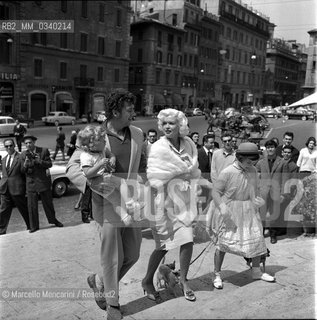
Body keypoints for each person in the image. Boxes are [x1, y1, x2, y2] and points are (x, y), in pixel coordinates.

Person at [66, 89, 145, 320]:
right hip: (105, 203)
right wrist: (93, 184)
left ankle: (99, 281)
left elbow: (142, 165)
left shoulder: (138, 134)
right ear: (115, 111)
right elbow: (73, 167)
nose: (134, 113)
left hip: (129, 202)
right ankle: (113, 303)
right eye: (129, 109)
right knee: (113, 257)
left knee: (133, 254)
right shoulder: (94, 134)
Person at [142, 108, 212, 303]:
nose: (166, 127)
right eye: (163, 123)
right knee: (163, 247)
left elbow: (195, 171)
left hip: (186, 201)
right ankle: (147, 280)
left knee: (187, 240)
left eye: (171, 123)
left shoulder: (189, 144)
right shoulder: (157, 148)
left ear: (180, 125)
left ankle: (183, 281)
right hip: (164, 203)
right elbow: (154, 178)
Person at [206, 142, 275, 289]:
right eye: (248, 161)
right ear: (239, 157)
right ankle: (217, 274)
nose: (251, 164)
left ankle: (256, 271)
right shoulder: (227, 171)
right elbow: (215, 192)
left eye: (253, 161)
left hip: (249, 209)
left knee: (256, 239)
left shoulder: (253, 171)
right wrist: (222, 207)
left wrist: (258, 199)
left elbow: (254, 190)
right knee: (223, 243)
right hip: (230, 210)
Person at [78, 125, 143, 221]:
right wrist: (100, 164)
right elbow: (88, 173)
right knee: (122, 183)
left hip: (102, 179)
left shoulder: (102, 150)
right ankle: (130, 204)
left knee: (115, 199)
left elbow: (111, 154)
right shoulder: (85, 156)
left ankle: (125, 217)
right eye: (101, 140)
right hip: (97, 179)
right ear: (92, 144)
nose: (105, 141)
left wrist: (112, 159)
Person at [21, 135, 63, 233]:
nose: (28, 145)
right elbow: (22, 171)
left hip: (43, 181)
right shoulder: (23, 155)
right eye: (26, 143)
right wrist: (25, 165)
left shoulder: (43, 151)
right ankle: (34, 226)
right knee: (32, 206)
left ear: (34, 142)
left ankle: (53, 220)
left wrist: (40, 161)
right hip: (31, 183)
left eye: (30, 142)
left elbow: (50, 164)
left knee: (48, 203)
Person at [256, 139, 288, 244]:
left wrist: (284, 194)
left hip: (276, 192)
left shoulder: (282, 162)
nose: (270, 149)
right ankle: (261, 233)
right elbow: (257, 178)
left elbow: (285, 179)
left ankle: (273, 234)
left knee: (275, 214)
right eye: (268, 147)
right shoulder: (261, 162)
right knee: (262, 213)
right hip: (263, 192)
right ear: (266, 149)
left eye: (272, 147)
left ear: (276, 148)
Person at [0, 139, 30, 235]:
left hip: (17, 188)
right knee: (3, 210)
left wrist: (25, 166)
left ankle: (30, 226)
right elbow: (5, 174)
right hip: (5, 189)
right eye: (7, 146)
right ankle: (1, 231)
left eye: (10, 145)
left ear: (14, 146)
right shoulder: (4, 159)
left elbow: (23, 171)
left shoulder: (20, 157)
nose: (9, 148)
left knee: (23, 209)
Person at [197, 134, 217, 209]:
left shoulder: (215, 153)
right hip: (202, 179)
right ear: (205, 143)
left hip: (212, 180)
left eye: (213, 142)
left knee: (210, 200)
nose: (213, 144)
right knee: (202, 199)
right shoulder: (198, 152)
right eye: (211, 143)